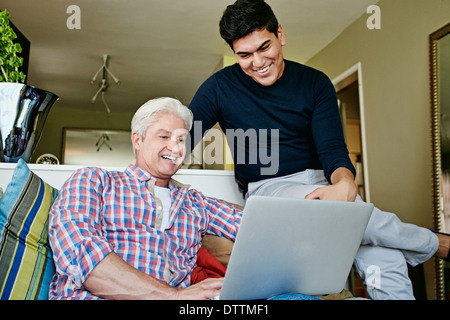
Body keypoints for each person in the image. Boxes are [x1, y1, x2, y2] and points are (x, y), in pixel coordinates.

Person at [188, 0, 450, 299]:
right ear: (234, 53)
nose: (257, 62)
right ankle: (434, 243)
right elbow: (183, 138)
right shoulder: (219, 88)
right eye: (244, 55)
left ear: (281, 35)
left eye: (265, 47)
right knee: (352, 216)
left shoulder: (315, 83)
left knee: (385, 256)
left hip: (326, 182)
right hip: (271, 187)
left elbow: (333, 150)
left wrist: (345, 183)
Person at [47, 97, 318, 300]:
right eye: (164, 137)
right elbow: (82, 257)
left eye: (181, 139)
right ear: (137, 140)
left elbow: (256, 225)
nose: (175, 148)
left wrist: (308, 225)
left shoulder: (194, 202)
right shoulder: (93, 181)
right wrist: (174, 297)